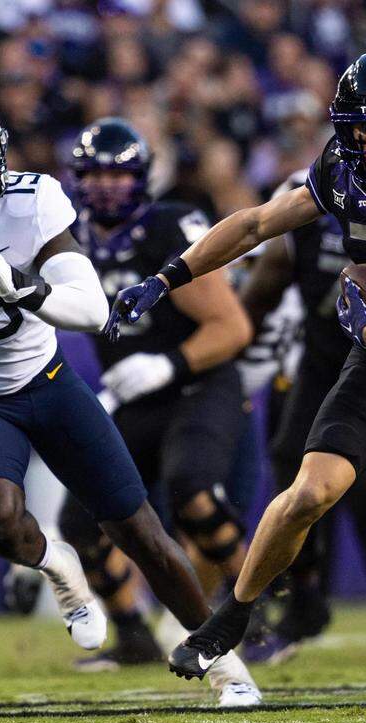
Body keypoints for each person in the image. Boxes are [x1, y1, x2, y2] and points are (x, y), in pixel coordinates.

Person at [0, 90, 258, 705]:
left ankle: (226, 665)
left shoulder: (31, 203)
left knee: (141, 531)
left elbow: (90, 310)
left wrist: (20, 288)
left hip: (50, 382)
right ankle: (57, 565)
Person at [105, 50, 366, 678]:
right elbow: (257, 224)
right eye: (362, 127)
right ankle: (231, 616)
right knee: (308, 491)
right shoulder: (338, 168)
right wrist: (167, 276)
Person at [55, 118, 258, 691]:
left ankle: (250, 609)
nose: (107, 187)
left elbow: (231, 325)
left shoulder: (166, 228)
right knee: (84, 518)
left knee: (192, 492)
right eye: (95, 175)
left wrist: (167, 363)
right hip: (134, 396)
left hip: (198, 384)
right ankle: (133, 635)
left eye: (118, 175)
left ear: (142, 178)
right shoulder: (70, 239)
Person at [237, 168, 366, 662]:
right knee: (295, 465)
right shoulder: (307, 191)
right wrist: (227, 357)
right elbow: (264, 287)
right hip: (323, 360)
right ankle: (303, 598)